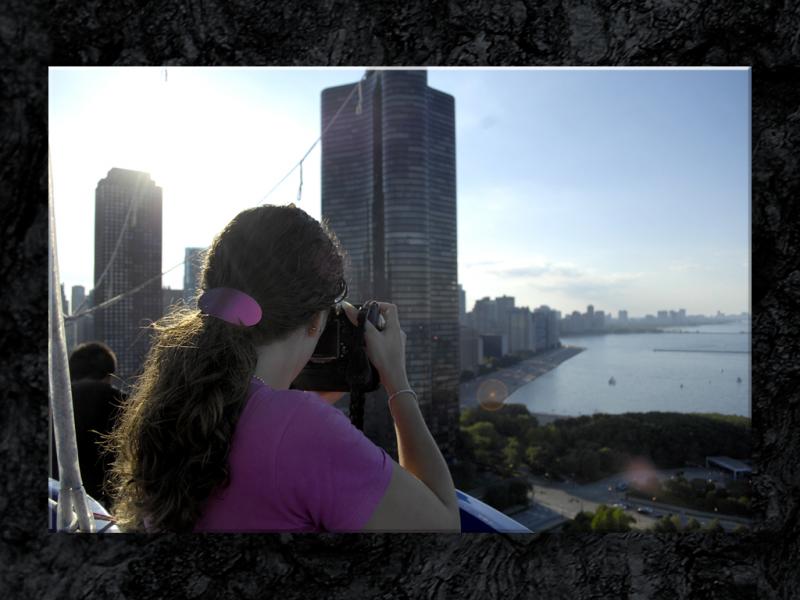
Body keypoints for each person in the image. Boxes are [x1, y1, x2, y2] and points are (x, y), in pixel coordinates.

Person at [105, 204, 460, 532]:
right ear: (315, 322)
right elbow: (444, 525)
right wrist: (397, 379)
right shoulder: (301, 429)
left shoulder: (176, 399)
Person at [50, 341, 125, 509]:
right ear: (109, 376)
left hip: (60, 502)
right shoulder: (125, 404)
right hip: (109, 505)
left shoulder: (52, 404)